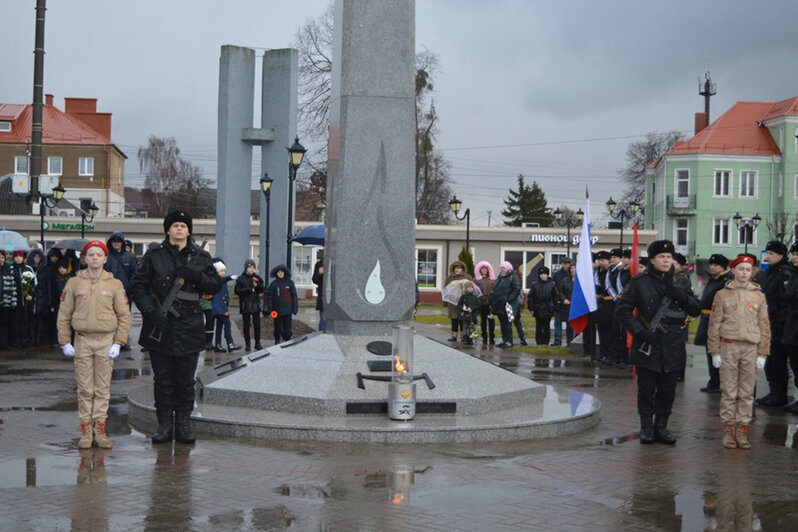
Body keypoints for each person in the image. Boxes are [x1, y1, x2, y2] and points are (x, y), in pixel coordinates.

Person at [129, 210, 222, 445]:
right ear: (167, 230)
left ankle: (183, 425)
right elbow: (138, 287)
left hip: (190, 325)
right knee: (163, 380)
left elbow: (215, 284)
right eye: (175, 225)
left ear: (189, 230)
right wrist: (151, 312)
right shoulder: (154, 255)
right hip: (160, 326)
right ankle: (163, 426)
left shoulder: (201, 257)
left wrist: (195, 276)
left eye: (183, 225)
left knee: (185, 380)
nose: (179, 229)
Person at [617, 240, 701, 445]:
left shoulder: (681, 282)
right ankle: (646, 427)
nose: (666, 260)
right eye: (661, 257)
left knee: (667, 390)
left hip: (673, 344)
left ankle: (661, 426)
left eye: (669, 256)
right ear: (652, 260)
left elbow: (696, 309)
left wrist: (681, 296)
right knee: (646, 389)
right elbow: (622, 310)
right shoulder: (639, 282)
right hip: (649, 343)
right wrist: (639, 332)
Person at [57, 240, 130, 449]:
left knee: (102, 388)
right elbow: (64, 314)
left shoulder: (115, 284)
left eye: (99, 254)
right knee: (84, 388)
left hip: (106, 341)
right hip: (82, 340)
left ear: (105, 259)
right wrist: (64, 341)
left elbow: (124, 316)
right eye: (91, 254)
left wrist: (119, 342)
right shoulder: (74, 283)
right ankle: (85, 431)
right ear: (84, 258)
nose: (95, 258)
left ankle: (100, 430)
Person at [707, 254, 770, 449]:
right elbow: (714, 325)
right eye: (741, 269)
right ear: (733, 270)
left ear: (752, 273)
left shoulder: (759, 296)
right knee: (728, 390)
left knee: (747, 391)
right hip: (729, 346)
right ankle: (728, 429)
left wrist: (763, 353)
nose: (744, 273)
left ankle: (743, 428)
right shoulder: (722, 294)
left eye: (748, 270)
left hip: (750, 348)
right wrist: (715, 351)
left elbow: (764, 326)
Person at [756, 240, 794, 407]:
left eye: (771, 254)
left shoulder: (784, 273)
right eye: (767, 253)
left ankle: (779, 396)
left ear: (781, 256)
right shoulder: (770, 272)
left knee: (778, 361)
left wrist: (779, 325)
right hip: (768, 323)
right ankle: (773, 392)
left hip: (777, 325)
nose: (768, 256)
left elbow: (784, 302)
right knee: (770, 361)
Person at [694, 254, 732, 393]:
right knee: (710, 351)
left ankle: (720, 382)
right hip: (707, 318)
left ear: (723, 266)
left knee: (718, 353)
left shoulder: (726, 281)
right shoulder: (713, 279)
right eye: (711, 264)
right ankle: (714, 381)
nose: (712, 267)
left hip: (718, 320)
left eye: (715, 265)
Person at [105, 231, 138, 351]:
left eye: (119, 241)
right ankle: (109, 340)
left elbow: (135, 273)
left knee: (123, 318)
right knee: (108, 317)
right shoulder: (106, 255)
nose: (116, 244)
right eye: (114, 241)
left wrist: (130, 287)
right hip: (107, 292)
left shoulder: (129, 256)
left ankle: (122, 341)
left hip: (125, 292)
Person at [780, 243, 798, 414]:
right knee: (795, 364)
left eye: (797, 254)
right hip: (792, 325)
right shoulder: (794, 274)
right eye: (794, 254)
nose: (794, 257)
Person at [210, 259, 242, 353]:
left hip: (221, 307)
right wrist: (230, 277)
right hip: (220, 308)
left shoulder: (219, 280)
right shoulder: (217, 280)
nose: (223, 273)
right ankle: (230, 344)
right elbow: (223, 280)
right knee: (227, 324)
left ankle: (218, 345)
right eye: (221, 271)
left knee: (220, 326)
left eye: (224, 271)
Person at [234, 258, 264, 351]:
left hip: (255, 305)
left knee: (257, 325)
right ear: (246, 268)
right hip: (245, 305)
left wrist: (257, 286)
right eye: (249, 267)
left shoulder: (257, 278)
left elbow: (262, 288)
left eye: (253, 267)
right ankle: (248, 344)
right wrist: (248, 289)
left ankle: (257, 343)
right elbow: (237, 291)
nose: (251, 269)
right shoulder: (241, 278)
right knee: (246, 325)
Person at [490, 261, 521, 348]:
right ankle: (504, 340)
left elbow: (516, 289)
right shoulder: (500, 277)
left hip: (508, 305)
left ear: (508, 268)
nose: (502, 269)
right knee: (502, 323)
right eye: (501, 268)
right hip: (499, 304)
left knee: (507, 323)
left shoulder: (513, 277)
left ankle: (509, 341)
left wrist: (508, 299)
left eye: (504, 268)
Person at [527, 266, 560, 346]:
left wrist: (555, 308)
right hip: (537, 308)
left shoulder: (552, 285)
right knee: (538, 326)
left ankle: (546, 342)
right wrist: (531, 308)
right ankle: (538, 341)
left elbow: (555, 297)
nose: (543, 276)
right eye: (541, 274)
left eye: (544, 274)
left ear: (547, 275)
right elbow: (531, 297)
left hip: (548, 309)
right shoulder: (535, 284)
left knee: (546, 326)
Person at [266, 264, 298, 344]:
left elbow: (294, 296)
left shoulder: (290, 283)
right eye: (279, 272)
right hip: (277, 310)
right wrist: (271, 309)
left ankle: (287, 339)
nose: (280, 273)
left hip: (288, 310)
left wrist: (295, 308)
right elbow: (270, 297)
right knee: (277, 327)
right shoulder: (273, 284)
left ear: (285, 273)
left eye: (282, 272)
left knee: (287, 327)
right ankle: (277, 340)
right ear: (276, 273)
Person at [444, 261, 471, 342]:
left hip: (463, 302)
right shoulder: (450, 278)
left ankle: (463, 336)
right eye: (455, 268)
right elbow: (446, 288)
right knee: (454, 319)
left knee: (462, 320)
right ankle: (454, 336)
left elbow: (471, 288)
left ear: (462, 269)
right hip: (453, 303)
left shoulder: (467, 277)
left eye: (459, 268)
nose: (457, 270)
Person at [25, 248, 47, 346]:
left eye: (38, 257)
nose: (36, 258)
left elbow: (47, 285)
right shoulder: (29, 269)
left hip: (41, 297)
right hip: (31, 297)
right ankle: (31, 339)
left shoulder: (44, 270)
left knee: (40, 320)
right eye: (35, 256)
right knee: (31, 320)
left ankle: (38, 339)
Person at [473, 261, 496, 347]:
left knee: (491, 321)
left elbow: (495, 289)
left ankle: (492, 337)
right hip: (482, 303)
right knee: (483, 321)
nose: (484, 270)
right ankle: (484, 337)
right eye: (482, 269)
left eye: (485, 269)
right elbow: (474, 291)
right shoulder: (476, 280)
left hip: (490, 303)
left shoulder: (493, 279)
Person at [551, 257, 571, 346]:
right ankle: (557, 341)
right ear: (562, 264)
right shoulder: (557, 275)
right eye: (565, 263)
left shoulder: (573, 274)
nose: (566, 265)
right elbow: (554, 287)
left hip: (570, 301)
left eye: (568, 263)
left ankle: (570, 341)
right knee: (557, 322)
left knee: (569, 323)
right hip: (559, 301)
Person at [456, 281, 481, 346]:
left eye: (471, 287)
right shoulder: (463, 297)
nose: (470, 289)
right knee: (465, 327)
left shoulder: (475, 297)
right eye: (469, 287)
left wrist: (472, 309)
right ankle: (465, 339)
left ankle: (470, 339)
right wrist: (463, 308)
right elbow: (459, 304)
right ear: (466, 288)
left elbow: (478, 305)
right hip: (465, 315)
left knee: (472, 328)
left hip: (472, 315)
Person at [559, 263, 577, 346]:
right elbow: (560, 291)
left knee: (577, 325)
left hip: (577, 306)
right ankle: (569, 342)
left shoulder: (581, 280)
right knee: (569, 326)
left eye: (575, 268)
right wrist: (564, 299)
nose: (573, 270)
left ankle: (577, 342)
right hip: (567, 306)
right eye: (572, 268)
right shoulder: (564, 280)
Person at [512, 266, 529, 346]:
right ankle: (521, 337)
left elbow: (520, 296)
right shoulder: (517, 281)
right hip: (514, 305)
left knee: (516, 322)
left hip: (515, 306)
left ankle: (521, 337)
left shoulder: (517, 283)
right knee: (516, 322)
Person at [311, 257, 326, 332]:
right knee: (323, 319)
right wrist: (319, 273)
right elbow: (314, 280)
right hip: (323, 295)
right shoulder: (319, 264)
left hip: (335, 296)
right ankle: (322, 336)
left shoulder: (337, 263)